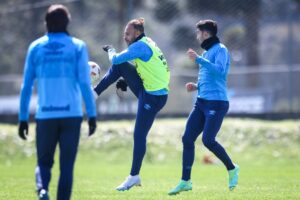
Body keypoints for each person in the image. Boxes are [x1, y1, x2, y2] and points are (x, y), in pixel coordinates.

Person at [18, 4, 97, 200]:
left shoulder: (36, 47)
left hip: (46, 114)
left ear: (46, 23)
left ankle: (42, 190)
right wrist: (92, 115)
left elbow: (26, 86)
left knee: (43, 162)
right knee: (67, 166)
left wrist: (22, 118)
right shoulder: (78, 46)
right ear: (67, 22)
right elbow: (85, 85)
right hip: (72, 114)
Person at [94, 18, 170, 191]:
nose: (125, 37)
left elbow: (114, 59)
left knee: (139, 135)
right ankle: (94, 93)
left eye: (128, 34)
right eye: (124, 34)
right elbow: (150, 68)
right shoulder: (146, 42)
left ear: (137, 33)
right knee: (121, 68)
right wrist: (128, 81)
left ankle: (134, 176)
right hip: (149, 90)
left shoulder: (140, 46)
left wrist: (112, 50)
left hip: (153, 98)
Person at [168, 19, 239, 195]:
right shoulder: (207, 52)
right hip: (201, 102)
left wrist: (199, 60)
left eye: (198, 32)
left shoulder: (221, 50)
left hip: (217, 103)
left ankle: (232, 168)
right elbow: (209, 77)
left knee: (208, 140)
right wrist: (196, 86)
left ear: (205, 33)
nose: (197, 36)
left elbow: (221, 71)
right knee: (187, 138)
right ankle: (185, 181)